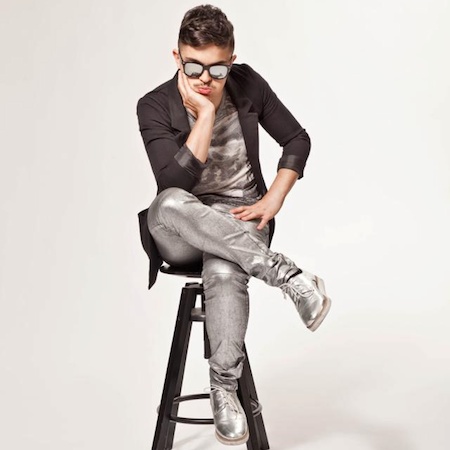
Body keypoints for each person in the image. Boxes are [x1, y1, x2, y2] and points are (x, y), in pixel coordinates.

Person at [136, 4, 331, 446]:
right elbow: (173, 183)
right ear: (176, 57)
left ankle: (223, 390)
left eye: (218, 69)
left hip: (242, 216)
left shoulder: (248, 84)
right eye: (193, 67)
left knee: (224, 269)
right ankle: (288, 276)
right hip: (181, 225)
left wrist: (273, 197)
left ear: (233, 60)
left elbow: (297, 139)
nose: (205, 78)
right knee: (167, 203)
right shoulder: (153, 105)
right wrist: (205, 115)